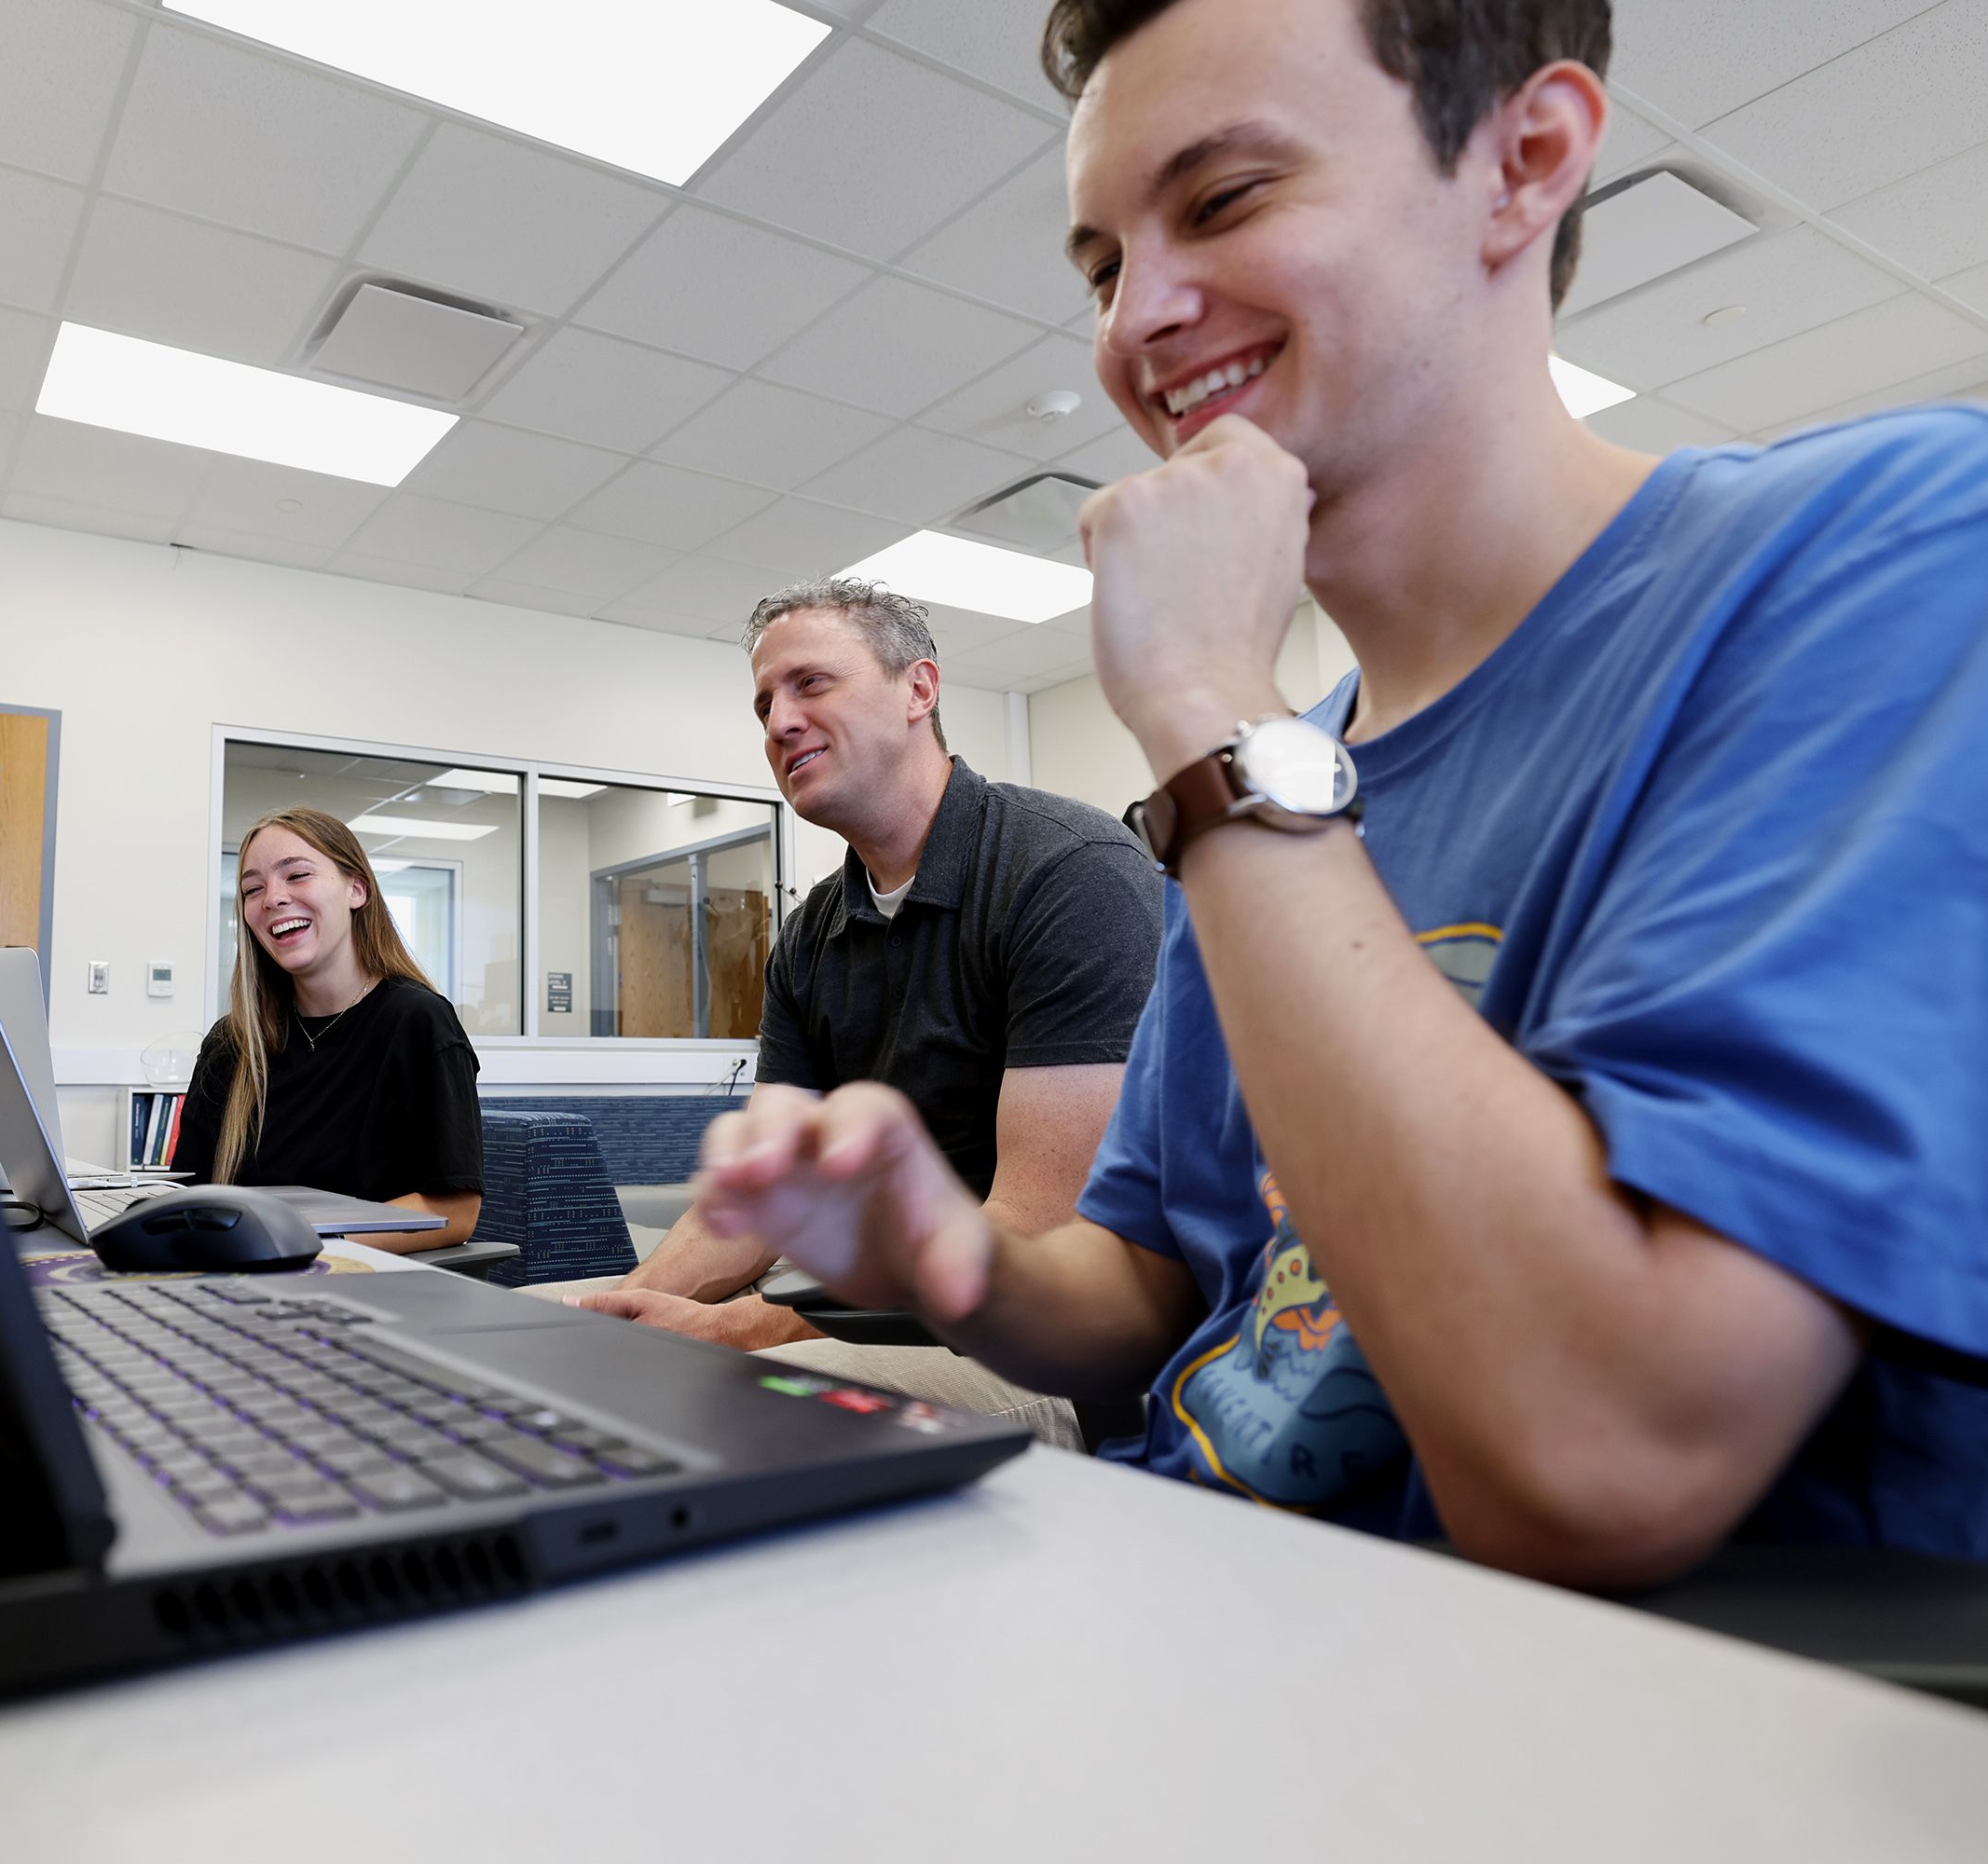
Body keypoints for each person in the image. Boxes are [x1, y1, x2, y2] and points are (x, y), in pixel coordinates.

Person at [692, 0, 1988, 1587]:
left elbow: (1601, 1454)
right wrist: (959, 1263)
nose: (1140, 321)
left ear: (1525, 160)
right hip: (1186, 1604)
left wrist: (1205, 715)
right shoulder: (1281, 761)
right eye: (1103, 266)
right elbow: (1148, 1290)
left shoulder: (1886, 548)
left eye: (1224, 201)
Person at [561, 579, 1163, 1447]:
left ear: (920, 688)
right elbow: (764, 1201)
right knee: (544, 1342)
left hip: (1038, 1333)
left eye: (811, 683)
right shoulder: (811, 937)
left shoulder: (1070, 873)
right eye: (765, 702)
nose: (777, 722)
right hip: (883, 1304)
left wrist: (749, 1327)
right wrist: (622, 1310)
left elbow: (1038, 1230)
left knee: (703, 1402)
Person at [171, 808, 482, 1251]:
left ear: (356, 889)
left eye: (296, 875)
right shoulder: (232, 1042)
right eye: (252, 889)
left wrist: (299, 1245)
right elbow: (190, 1192)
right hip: (233, 1276)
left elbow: (454, 1213)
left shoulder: (417, 1022)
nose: (272, 898)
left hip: (356, 1287)